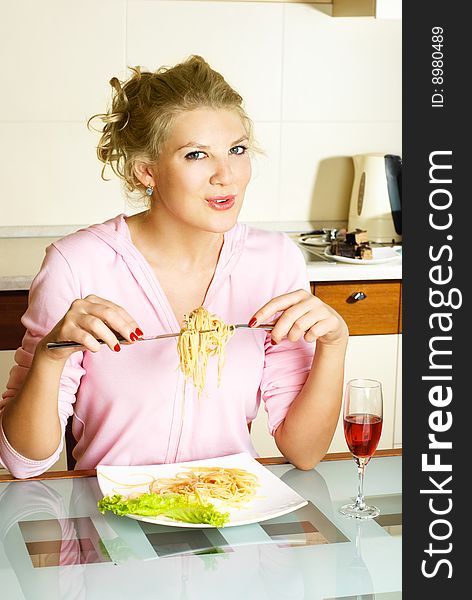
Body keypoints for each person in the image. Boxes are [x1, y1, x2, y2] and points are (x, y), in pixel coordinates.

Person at [0, 56, 348, 479]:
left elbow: (305, 453)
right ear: (147, 171)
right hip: (111, 527)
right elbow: (23, 463)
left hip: (229, 516)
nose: (227, 175)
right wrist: (50, 359)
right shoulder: (78, 264)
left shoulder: (275, 261)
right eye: (196, 155)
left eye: (237, 150)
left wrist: (334, 345)